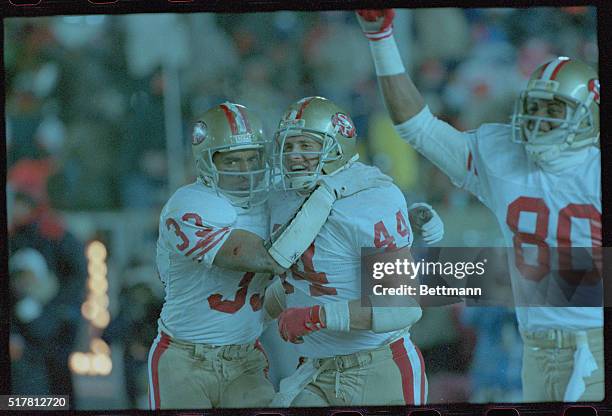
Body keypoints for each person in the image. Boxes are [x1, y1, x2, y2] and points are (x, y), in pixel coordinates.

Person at [356, 9, 602, 402]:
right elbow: (416, 127)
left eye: (554, 110)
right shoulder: (502, 152)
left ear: (589, 117)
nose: (539, 121)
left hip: (596, 341)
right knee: (387, 275)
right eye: (535, 107)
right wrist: (380, 38)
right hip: (538, 346)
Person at [148, 101, 383, 409]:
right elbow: (268, 258)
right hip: (185, 357)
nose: (245, 170)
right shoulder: (191, 205)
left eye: (252, 158)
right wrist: (328, 191)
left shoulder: (274, 196)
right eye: (232, 161)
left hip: (245, 356)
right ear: (207, 164)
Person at [263, 96, 442, 407]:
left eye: (306, 145)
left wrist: (316, 316)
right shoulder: (278, 198)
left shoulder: (371, 198)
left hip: (377, 365)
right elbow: (303, 280)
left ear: (336, 147)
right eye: (288, 146)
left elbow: (403, 307)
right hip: (315, 369)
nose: (293, 155)